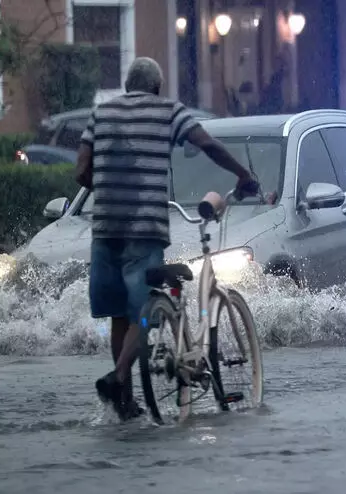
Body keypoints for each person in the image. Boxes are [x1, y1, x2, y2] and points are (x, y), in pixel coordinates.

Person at [75, 57, 259, 420]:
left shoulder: (101, 114)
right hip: (144, 229)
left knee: (118, 316)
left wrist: (111, 188)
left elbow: (81, 170)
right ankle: (119, 376)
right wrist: (243, 174)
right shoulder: (167, 111)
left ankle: (125, 400)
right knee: (143, 313)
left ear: (127, 86)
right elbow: (208, 145)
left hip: (105, 228)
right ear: (157, 88)